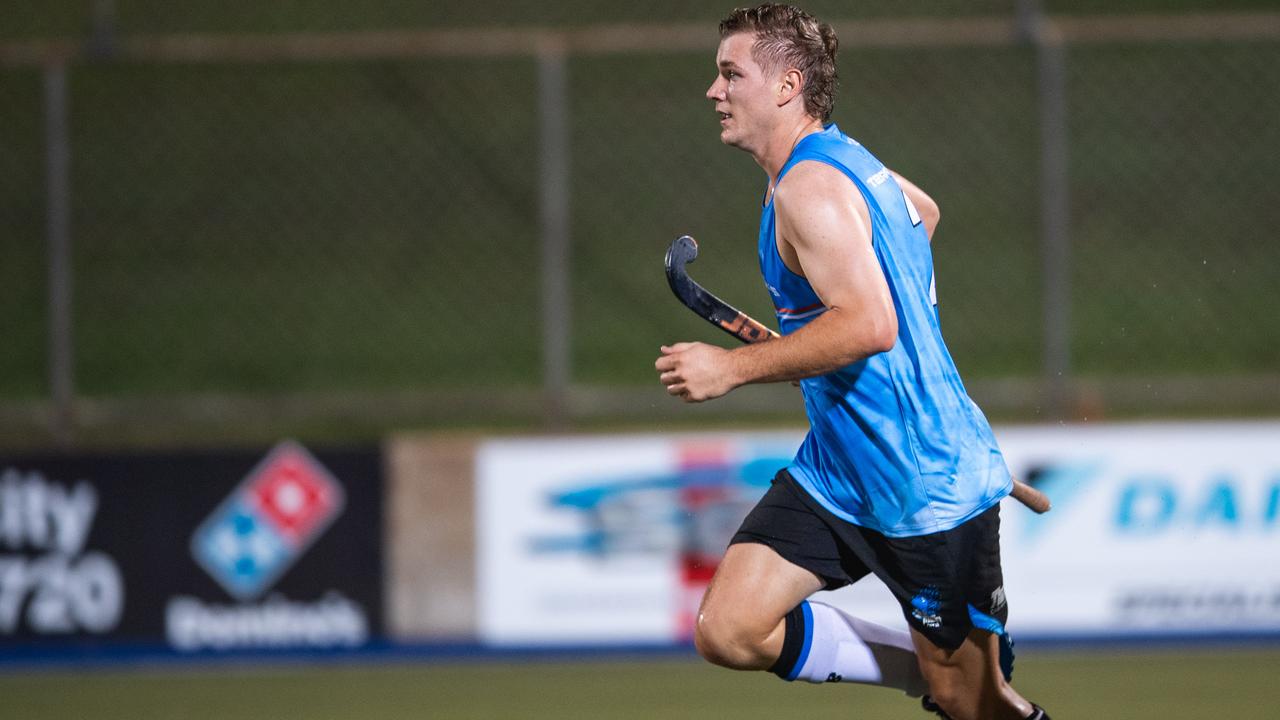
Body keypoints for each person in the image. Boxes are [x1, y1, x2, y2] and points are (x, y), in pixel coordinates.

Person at [653, 5, 1051, 720]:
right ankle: (928, 674)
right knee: (729, 628)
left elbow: (869, 322)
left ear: (787, 84)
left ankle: (962, 685)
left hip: (921, 485)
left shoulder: (808, 188)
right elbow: (920, 216)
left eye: (729, 74)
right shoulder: (843, 162)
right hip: (842, 471)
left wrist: (731, 370)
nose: (715, 92)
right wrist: (912, 372)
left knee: (980, 708)